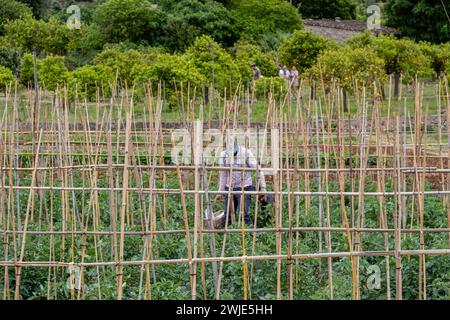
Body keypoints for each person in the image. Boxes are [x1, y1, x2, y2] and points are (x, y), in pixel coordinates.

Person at [217, 141, 266, 226]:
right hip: (230, 187)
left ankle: (249, 234)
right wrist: (220, 191)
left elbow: (258, 170)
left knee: (243, 214)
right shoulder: (223, 155)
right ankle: (228, 234)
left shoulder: (246, 153)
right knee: (227, 215)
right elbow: (223, 174)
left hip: (244, 187)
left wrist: (263, 187)